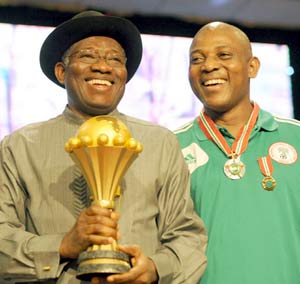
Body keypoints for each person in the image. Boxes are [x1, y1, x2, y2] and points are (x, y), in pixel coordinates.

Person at [0, 11, 207, 284]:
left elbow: (187, 235)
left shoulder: (160, 143)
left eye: (115, 59)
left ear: (124, 75)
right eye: (87, 56)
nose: (103, 66)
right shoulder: (20, 146)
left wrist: (155, 269)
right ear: (61, 71)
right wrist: (61, 245)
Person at [175, 21, 300, 284]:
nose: (208, 66)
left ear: (252, 67)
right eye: (197, 59)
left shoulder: (296, 137)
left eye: (223, 55)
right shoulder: (171, 148)